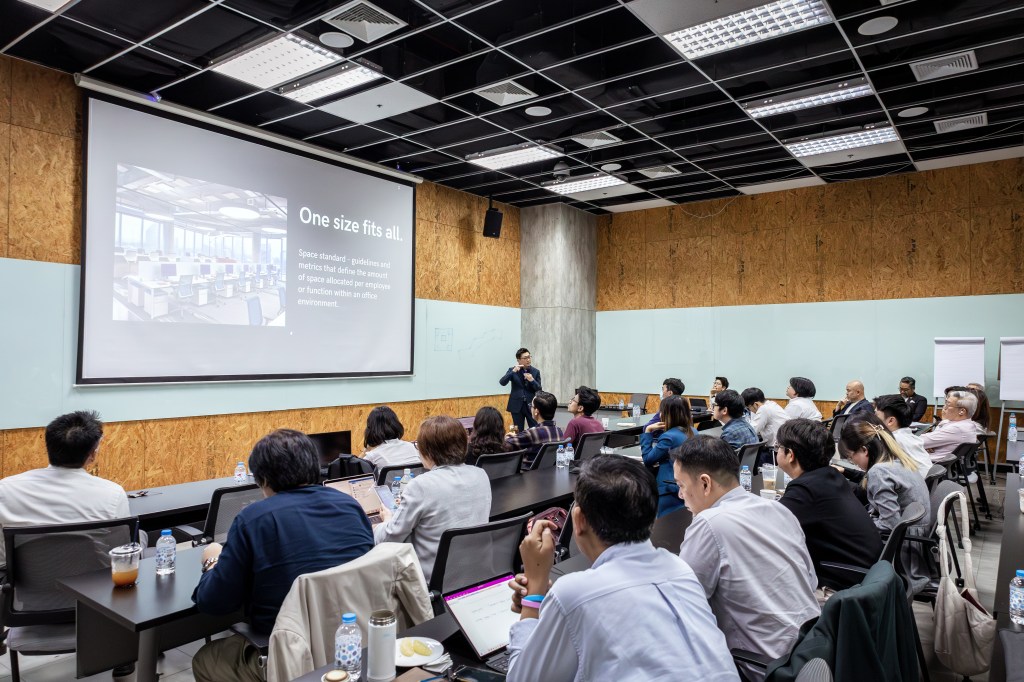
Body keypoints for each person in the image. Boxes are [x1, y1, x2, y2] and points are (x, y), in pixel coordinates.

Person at [505, 456, 739, 682]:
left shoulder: (573, 593)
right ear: (653, 518)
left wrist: (535, 591)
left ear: (578, 519)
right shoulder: (680, 569)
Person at [192, 429, 374, 682]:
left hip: (291, 655)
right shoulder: (350, 505)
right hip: (353, 645)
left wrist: (212, 560)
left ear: (263, 478)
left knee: (206, 660)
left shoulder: (253, 519)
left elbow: (215, 602)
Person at [673, 436, 819, 680]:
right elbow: (811, 581)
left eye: (681, 485)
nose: (680, 494)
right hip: (811, 652)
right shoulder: (778, 509)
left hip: (763, 669)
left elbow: (683, 605)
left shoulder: (710, 523)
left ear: (705, 483)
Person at [0, 410, 130, 569]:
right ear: (92, 455)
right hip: (90, 583)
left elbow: (2, 560)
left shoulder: (5, 489)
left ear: (48, 447)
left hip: (24, 583)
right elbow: (121, 556)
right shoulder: (113, 494)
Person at [374, 416, 491, 581]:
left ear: (428, 451)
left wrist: (385, 521)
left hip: (430, 581)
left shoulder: (420, 485)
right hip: (475, 572)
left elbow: (390, 538)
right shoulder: (481, 475)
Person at [775, 419, 883, 589]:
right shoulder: (830, 476)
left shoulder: (806, 489)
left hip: (846, 588)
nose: (777, 451)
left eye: (778, 447)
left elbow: (769, 528)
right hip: (870, 578)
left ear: (790, 455)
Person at [839, 417, 931, 596]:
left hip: (901, 552)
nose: (853, 462)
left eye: (851, 457)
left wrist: (855, 524)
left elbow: (890, 524)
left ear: (864, 450)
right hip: (914, 545)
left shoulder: (879, 472)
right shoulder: (899, 460)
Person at [640, 395, 695, 518]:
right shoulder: (693, 431)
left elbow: (648, 459)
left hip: (668, 487)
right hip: (687, 483)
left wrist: (647, 432)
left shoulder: (669, 437)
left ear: (667, 414)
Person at [873, 394, 932, 477]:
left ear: (890, 421)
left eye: (876, 415)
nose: (873, 419)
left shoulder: (892, 441)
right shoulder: (908, 436)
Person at [504, 391, 565, 464]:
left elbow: (505, 444)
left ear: (536, 411)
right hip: (549, 470)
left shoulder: (532, 433)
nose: (530, 408)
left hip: (527, 470)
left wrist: (508, 436)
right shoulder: (559, 431)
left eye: (531, 406)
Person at [920, 389, 980, 461]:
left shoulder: (957, 428)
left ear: (962, 411)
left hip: (928, 463)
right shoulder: (968, 424)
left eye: (948, 404)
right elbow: (926, 441)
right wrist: (930, 444)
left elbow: (918, 442)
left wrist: (927, 444)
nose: (944, 407)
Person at [499, 348, 542, 432]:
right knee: (517, 430)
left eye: (529, 357)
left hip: (531, 406)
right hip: (516, 406)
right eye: (525, 358)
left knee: (535, 429)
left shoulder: (535, 371)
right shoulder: (512, 370)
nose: (528, 360)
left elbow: (539, 389)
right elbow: (502, 382)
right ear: (518, 360)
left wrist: (532, 380)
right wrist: (513, 372)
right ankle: (516, 441)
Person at [563, 386, 604, 450]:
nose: (570, 401)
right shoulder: (599, 424)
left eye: (573, 400)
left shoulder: (574, 423)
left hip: (575, 457)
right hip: (593, 456)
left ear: (580, 408)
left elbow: (563, 447)